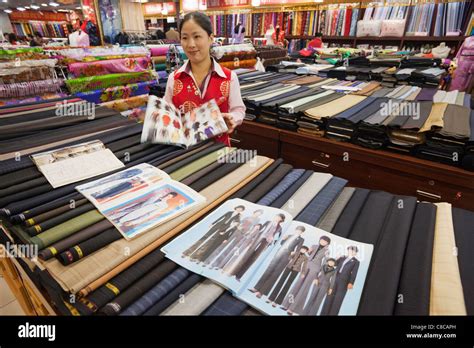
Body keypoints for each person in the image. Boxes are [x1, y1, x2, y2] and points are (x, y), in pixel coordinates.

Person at [163, 11, 246, 147]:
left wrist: (233, 119)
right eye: (185, 38)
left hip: (219, 151)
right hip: (184, 152)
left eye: (197, 36)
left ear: (210, 38)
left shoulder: (228, 77)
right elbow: (167, 113)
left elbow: (238, 109)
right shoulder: (174, 78)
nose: (191, 44)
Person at [320, 245, 360, 315]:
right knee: (329, 296)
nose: (351, 251)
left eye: (353, 250)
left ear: (355, 253)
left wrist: (351, 283)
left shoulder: (356, 262)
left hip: (344, 281)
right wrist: (337, 258)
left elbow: (354, 273)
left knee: (338, 299)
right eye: (350, 250)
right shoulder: (342, 257)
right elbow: (333, 264)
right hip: (335, 278)